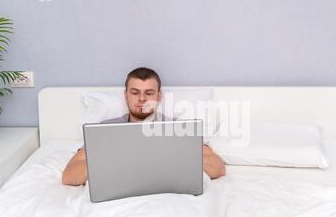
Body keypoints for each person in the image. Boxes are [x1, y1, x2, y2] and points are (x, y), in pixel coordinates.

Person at [62, 67, 226, 186]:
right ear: (126, 95)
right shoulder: (105, 128)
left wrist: (166, 159)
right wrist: (121, 161)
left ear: (158, 96)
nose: (142, 99)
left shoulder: (177, 127)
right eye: (135, 93)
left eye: (149, 93)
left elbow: (217, 168)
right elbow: (69, 175)